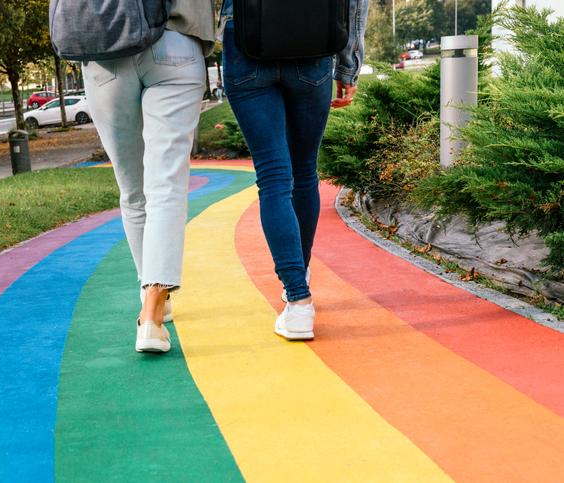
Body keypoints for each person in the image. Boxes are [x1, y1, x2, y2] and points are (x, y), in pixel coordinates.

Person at [219, 0, 369, 340]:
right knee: (303, 172)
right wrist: (348, 67)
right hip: (313, 38)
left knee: (273, 176)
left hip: (246, 36)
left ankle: (299, 299)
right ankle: (297, 285)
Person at [82, 0, 215, 353]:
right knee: (167, 184)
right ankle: (153, 311)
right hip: (177, 40)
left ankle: (152, 298)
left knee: (132, 189)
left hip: (105, 42)